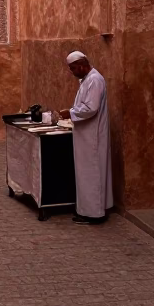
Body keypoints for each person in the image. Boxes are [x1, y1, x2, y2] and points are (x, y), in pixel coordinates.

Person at [58, 52, 113, 224]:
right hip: (86, 135)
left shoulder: (94, 80)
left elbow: (91, 107)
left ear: (82, 65)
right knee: (87, 173)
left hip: (92, 137)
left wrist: (70, 113)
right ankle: (91, 209)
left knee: (92, 174)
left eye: (74, 68)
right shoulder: (87, 80)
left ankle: (94, 214)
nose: (73, 72)